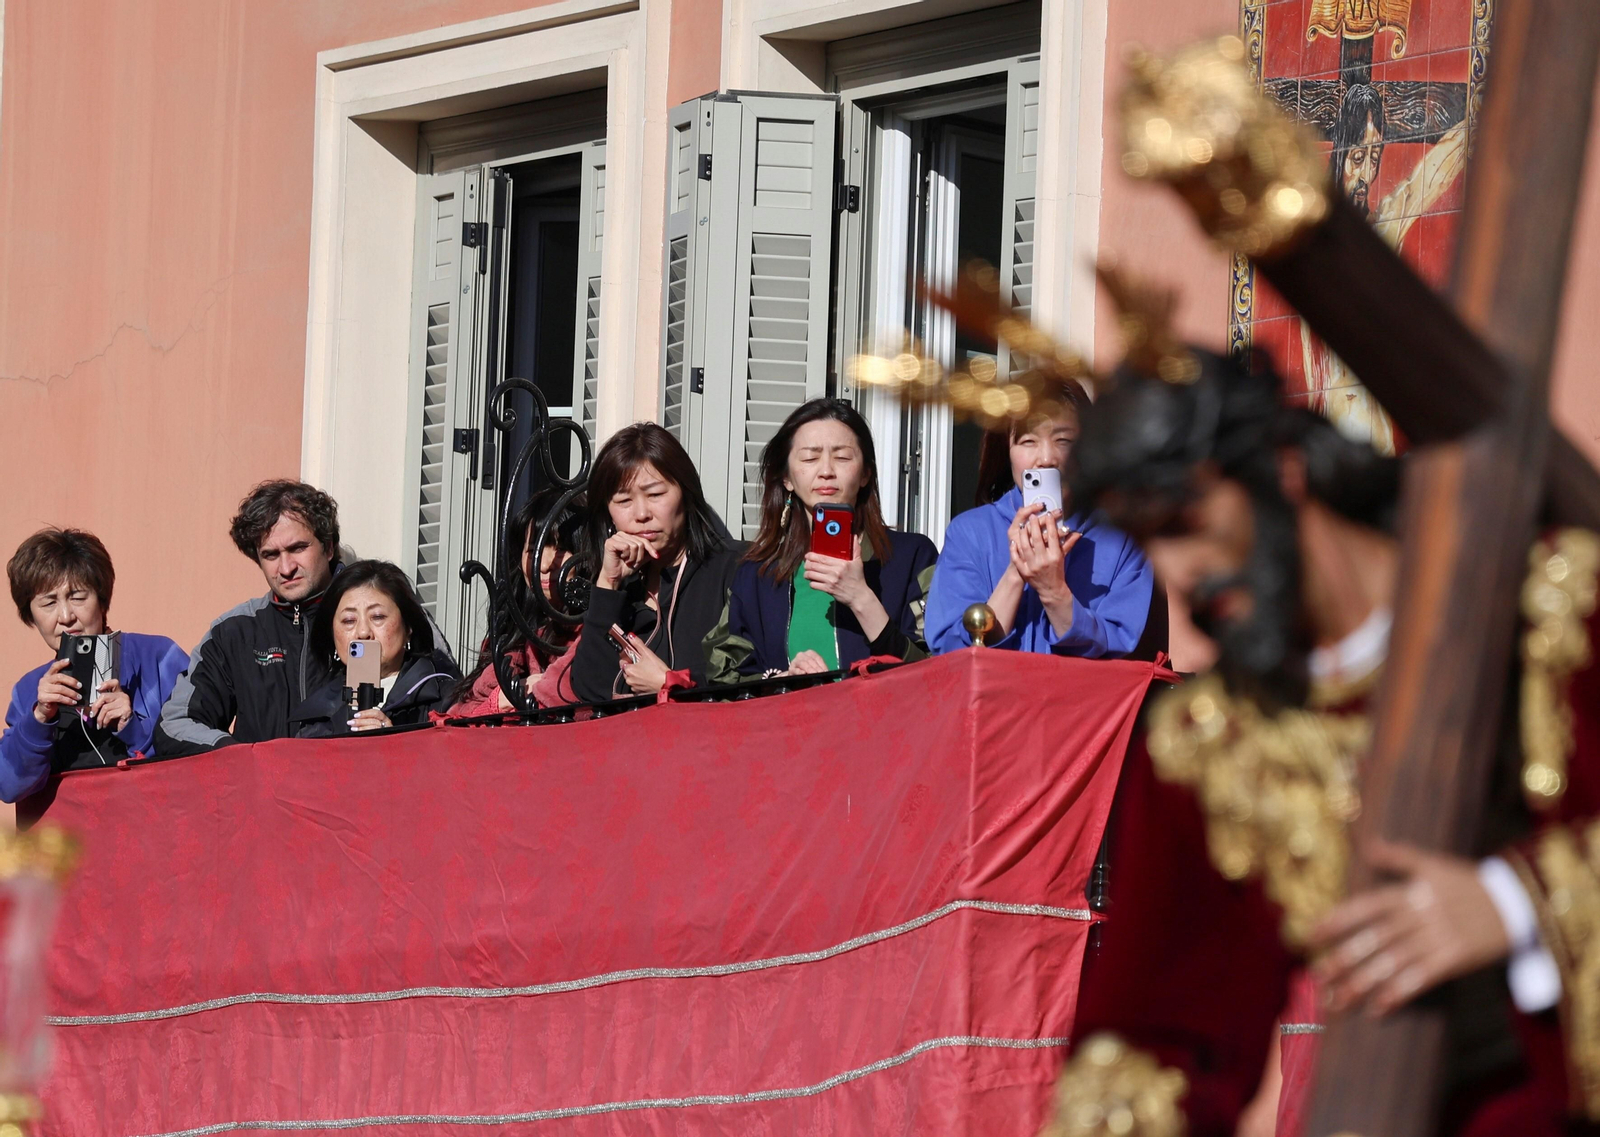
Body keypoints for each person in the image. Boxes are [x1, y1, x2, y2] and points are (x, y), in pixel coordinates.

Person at [1054, 343, 1550, 1137]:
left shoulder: (1549, 616)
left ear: (1282, 472)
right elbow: (1158, 1030)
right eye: (1151, 544)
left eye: (1187, 522)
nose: (1181, 576)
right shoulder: (1214, 744)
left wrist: (1519, 905)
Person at [704, 398, 938, 681]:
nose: (826, 471)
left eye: (842, 457)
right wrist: (780, 682)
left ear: (865, 473)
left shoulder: (912, 557)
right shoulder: (757, 575)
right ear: (787, 478)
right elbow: (724, 675)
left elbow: (935, 669)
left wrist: (861, 599)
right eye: (809, 458)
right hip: (791, 722)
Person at [924, 379, 1157, 658]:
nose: (1046, 459)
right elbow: (950, 649)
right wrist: (1015, 573)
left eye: (1064, 440)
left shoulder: (1121, 537)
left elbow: (1118, 645)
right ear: (1007, 452)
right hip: (993, 700)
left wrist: (1053, 592)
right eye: (1028, 441)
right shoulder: (969, 532)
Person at [155, 480, 349, 754]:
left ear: (328, 547)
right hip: (262, 794)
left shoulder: (381, 614)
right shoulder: (233, 632)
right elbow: (175, 723)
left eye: (297, 548)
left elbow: (427, 697)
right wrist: (242, 759)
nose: (286, 568)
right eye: (271, 555)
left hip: (355, 790)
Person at [1, 529, 188, 805]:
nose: (66, 617)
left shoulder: (159, 657)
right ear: (31, 615)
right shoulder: (29, 690)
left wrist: (132, 728)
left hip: (156, 837)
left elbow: (199, 761)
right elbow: (9, 786)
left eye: (77, 597)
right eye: (49, 602)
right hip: (69, 845)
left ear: (102, 600)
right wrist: (40, 718)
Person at [569, 423, 745, 701]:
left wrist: (669, 683)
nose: (641, 514)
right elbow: (589, 690)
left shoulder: (738, 568)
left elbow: (751, 677)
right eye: (624, 500)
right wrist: (607, 584)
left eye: (655, 495)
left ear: (686, 495)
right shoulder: (621, 588)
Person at [449, 488, 588, 714]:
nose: (544, 565)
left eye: (562, 549)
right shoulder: (514, 632)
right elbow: (459, 713)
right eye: (533, 550)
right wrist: (503, 699)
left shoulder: (599, 626)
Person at [289, 560, 461, 736]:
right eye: (349, 620)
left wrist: (392, 745)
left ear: (408, 627)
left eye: (377, 617)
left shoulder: (448, 700)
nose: (363, 632)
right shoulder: (316, 717)